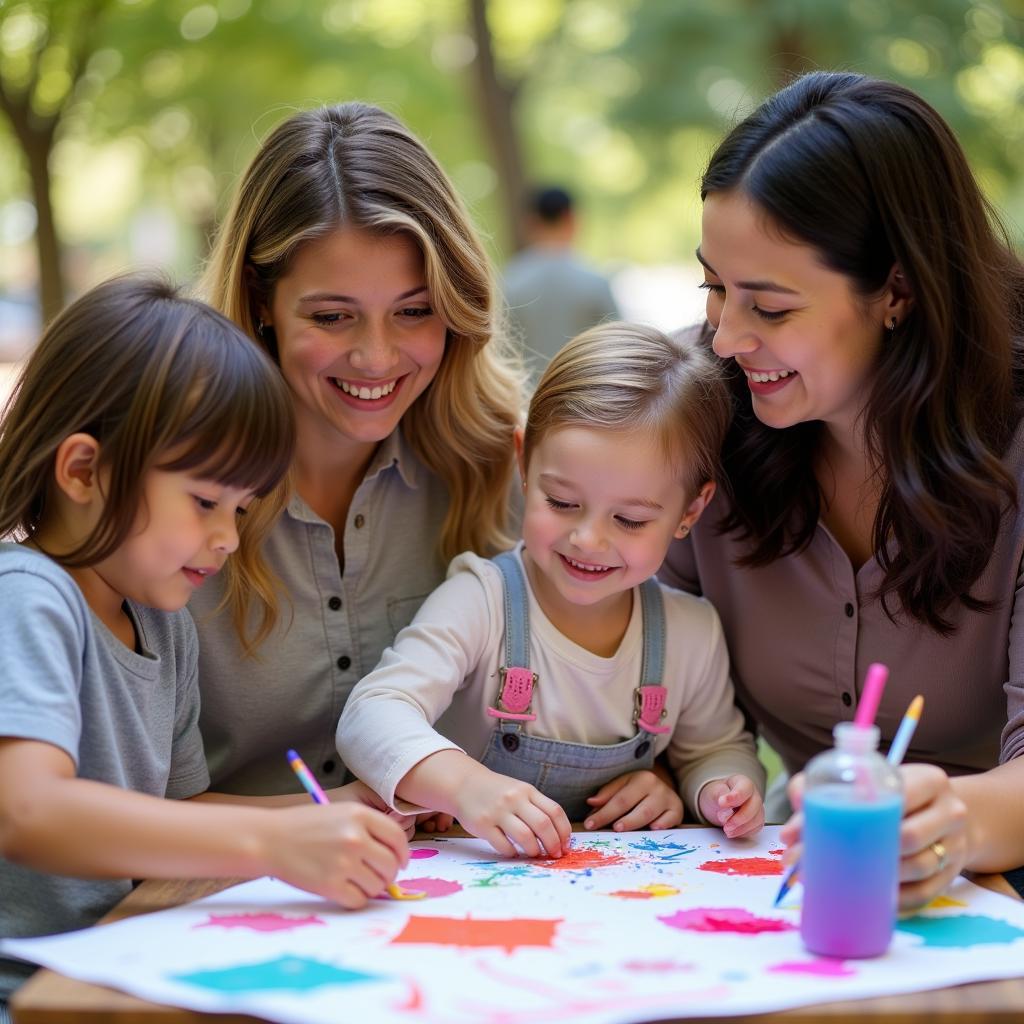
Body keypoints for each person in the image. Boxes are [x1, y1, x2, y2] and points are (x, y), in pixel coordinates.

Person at [660, 71, 1024, 909]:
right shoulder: (694, 414)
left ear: (896, 290)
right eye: (713, 287)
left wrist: (949, 820)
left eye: (770, 307)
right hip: (774, 889)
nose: (725, 335)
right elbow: (643, 677)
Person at [0, 276, 411, 1014]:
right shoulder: (27, 596)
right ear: (84, 470)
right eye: (204, 502)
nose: (228, 539)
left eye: (244, 507)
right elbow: (27, 814)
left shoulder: (163, 621)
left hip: (118, 972)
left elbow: (185, 807)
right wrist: (270, 847)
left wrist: (332, 811)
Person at [192, 102, 523, 797]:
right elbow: (123, 802)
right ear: (261, 300)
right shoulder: (175, 489)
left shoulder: (511, 466)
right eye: (333, 316)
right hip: (215, 897)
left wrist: (655, 776)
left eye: (413, 311)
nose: (376, 357)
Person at [338, 323, 766, 858]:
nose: (588, 539)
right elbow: (371, 714)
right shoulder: (483, 600)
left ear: (691, 511)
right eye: (562, 503)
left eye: (630, 519)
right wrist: (467, 787)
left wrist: (711, 790)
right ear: (524, 463)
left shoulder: (690, 632)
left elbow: (718, 749)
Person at [503, 185, 620, 381]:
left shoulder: (509, 282)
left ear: (530, 222)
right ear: (571, 218)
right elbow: (619, 346)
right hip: (586, 397)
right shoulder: (595, 281)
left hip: (526, 400)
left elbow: (501, 351)